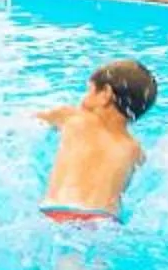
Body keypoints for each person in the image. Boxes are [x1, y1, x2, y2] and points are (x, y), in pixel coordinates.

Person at [36, 60, 157, 225]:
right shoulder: (136, 151)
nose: (83, 98)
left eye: (89, 90)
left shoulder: (72, 117)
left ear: (105, 93)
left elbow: (26, 123)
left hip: (59, 213)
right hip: (105, 222)